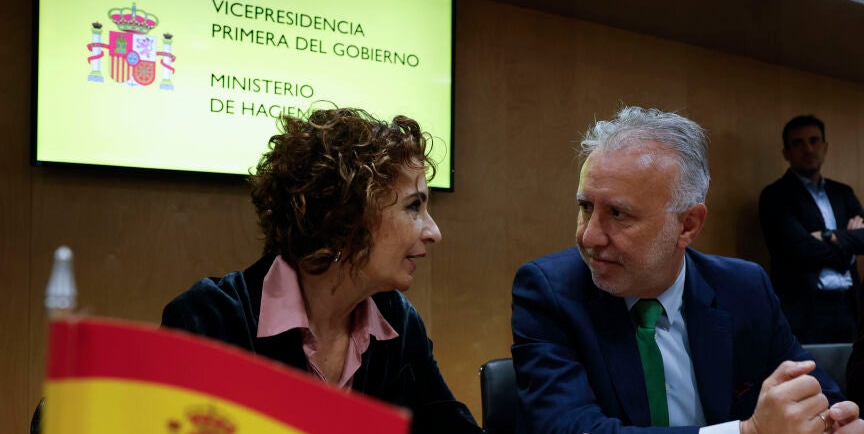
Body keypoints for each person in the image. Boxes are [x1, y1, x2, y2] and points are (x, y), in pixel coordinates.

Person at [511, 106, 864, 433]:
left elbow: (816, 393)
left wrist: (834, 421)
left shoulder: (744, 287)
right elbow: (572, 429)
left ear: (688, 225)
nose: (589, 237)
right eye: (586, 207)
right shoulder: (550, 292)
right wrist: (747, 432)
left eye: (618, 214)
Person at [162, 107, 481, 434]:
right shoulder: (208, 320)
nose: (434, 232)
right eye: (414, 206)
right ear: (344, 217)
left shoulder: (397, 320)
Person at [759, 115, 864, 344]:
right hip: (806, 313)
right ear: (786, 153)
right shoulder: (775, 196)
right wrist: (848, 248)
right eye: (798, 143)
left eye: (814, 141)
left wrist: (831, 236)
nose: (808, 149)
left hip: (851, 307)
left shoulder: (843, 193)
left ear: (825, 147)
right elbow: (799, 248)